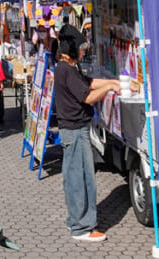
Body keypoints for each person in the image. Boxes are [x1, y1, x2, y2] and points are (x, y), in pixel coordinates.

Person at [53, 37, 118, 242]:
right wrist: (110, 88)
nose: (83, 54)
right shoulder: (65, 69)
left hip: (74, 129)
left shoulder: (69, 68)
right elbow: (87, 96)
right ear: (70, 50)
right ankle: (81, 227)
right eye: (81, 50)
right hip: (74, 129)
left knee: (77, 177)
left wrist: (111, 82)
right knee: (79, 179)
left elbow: (88, 83)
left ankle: (76, 219)